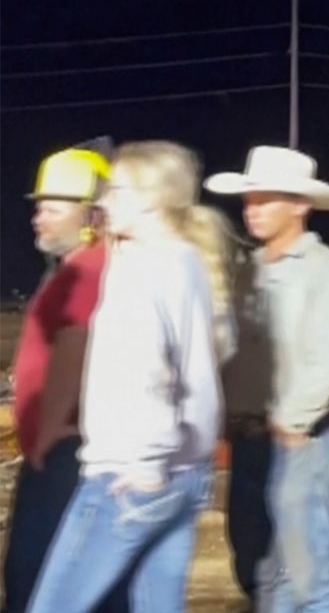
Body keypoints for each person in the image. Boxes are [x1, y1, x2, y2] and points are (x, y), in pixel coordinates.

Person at [26, 141, 234, 612]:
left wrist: (144, 463)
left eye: (115, 191)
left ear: (150, 199)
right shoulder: (189, 261)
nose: (104, 203)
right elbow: (213, 353)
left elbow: (150, 369)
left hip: (130, 475)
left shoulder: (138, 268)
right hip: (188, 474)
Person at [206, 145, 329, 611]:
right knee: (257, 566)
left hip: (301, 443)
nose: (252, 210)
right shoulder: (247, 274)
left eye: (266, 199)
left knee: (309, 576)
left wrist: (294, 421)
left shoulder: (327, 272)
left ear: (301, 204)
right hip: (250, 441)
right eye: (250, 199)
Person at [2, 145, 128, 613]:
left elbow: (75, 352)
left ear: (91, 213)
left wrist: (48, 430)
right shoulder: (72, 267)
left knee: (38, 582)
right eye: (38, 206)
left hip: (63, 457)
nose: (39, 217)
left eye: (53, 208)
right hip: (58, 451)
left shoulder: (88, 269)